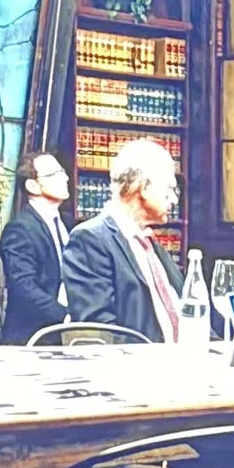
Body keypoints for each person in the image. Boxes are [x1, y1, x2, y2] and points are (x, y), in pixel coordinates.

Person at [63, 138, 186, 341]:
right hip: (138, 367)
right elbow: (99, 333)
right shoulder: (90, 240)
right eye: (170, 189)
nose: (174, 199)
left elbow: (185, 310)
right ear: (144, 188)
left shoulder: (149, 243)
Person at [0, 148, 72, 343]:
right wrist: (65, 317)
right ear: (32, 185)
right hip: (33, 339)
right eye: (55, 174)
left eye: (62, 171)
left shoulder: (69, 224)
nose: (64, 178)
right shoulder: (19, 230)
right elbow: (24, 287)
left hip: (68, 335)